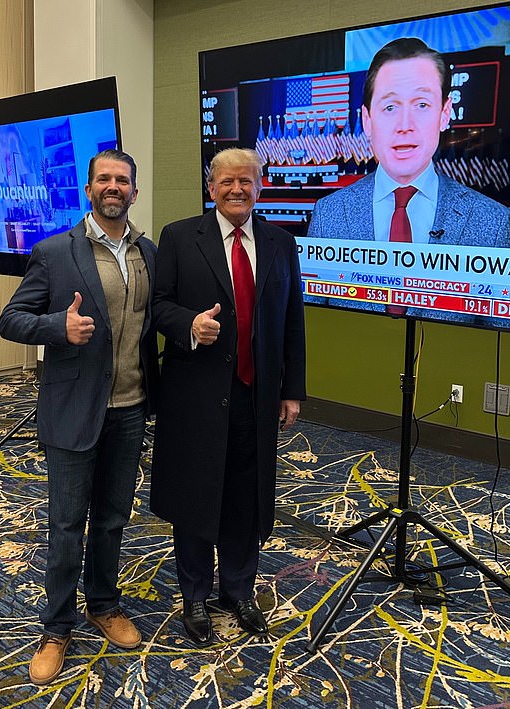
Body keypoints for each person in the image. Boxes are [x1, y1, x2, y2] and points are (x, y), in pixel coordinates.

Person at [0, 149, 159, 685]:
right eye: (104, 179)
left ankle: (103, 603)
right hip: (72, 411)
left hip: (130, 409)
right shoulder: (54, 251)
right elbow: (11, 319)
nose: (114, 187)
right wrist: (55, 329)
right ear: (89, 190)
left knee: (113, 518)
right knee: (67, 526)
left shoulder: (147, 252)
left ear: (134, 192)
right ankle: (57, 627)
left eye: (123, 181)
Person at [150, 147, 306, 646]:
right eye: (226, 182)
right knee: (198, 494)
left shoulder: (281, 243)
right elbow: (156, 307)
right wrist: (188, 325)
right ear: (210, 186)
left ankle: (238, 592)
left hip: (255, 395)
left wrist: (292, 391)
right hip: (195, 394)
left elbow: (291, 323)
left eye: (246, 181)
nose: (236, 190)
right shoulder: (178, 237)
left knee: (246, 496)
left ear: (259, 186)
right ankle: (194, 595)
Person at [307, 37, 510, 326]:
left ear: (445, 113)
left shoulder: (490, 222)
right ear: (367, 120)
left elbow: (502, 348)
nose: (405, 125)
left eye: (421, 104)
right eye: (390, 107)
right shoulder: (328, 215)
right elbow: (314, 328)